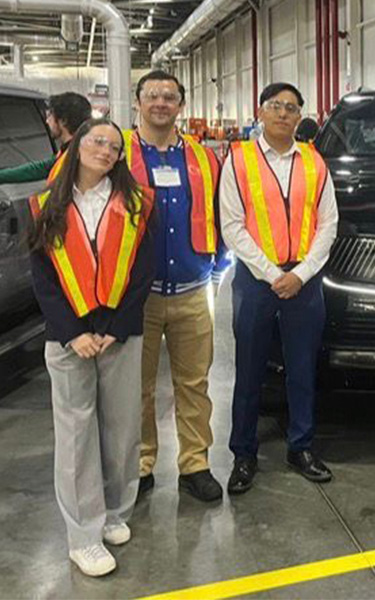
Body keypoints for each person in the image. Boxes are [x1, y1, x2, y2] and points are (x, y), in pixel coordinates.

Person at [28, 119, 154, 576]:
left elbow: (143, 274)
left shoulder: (138, 203)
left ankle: (116, 511)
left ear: (120, 158)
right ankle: (83, 534)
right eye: (97, 140)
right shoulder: (47, 205)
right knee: (77, 434)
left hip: (119, 332)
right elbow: (42, 279)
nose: (105, 150)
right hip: (69, 337)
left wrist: (114, 328)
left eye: (114, 146)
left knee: (122, 428)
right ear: (77, 144)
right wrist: (73, 331)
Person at [219, 82, 338, 494]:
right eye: (276, 106)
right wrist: (273, 275)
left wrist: (301, 275)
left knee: (303, 369)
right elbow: (231, 226)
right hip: (256, 281)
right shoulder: (238, 160)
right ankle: (244, 454)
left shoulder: (314, 161)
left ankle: (300, 446)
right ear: (261, 111)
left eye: (291, 107)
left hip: (304, 282)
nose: (284, 114)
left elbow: (329, 223)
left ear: (300, 115)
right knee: (249, 370)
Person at [126, 70, 230, 503]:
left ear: (181, 105)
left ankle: (195, 464)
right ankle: (141, 464)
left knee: (194, 383)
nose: (161, 103)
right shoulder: (117, 155)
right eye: (153, 96)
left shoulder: (205, 160)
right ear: (138, 102)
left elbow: (223, 216)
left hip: (192, 289)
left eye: (169, 96)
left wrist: (218, 267)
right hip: (137, 295)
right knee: (138, 386)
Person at [0, 92, 92, 184]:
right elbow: (38, 169)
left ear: (63, 121)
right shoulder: (71, 152)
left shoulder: (78, 159)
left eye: (49, 116)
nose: (47, 121)